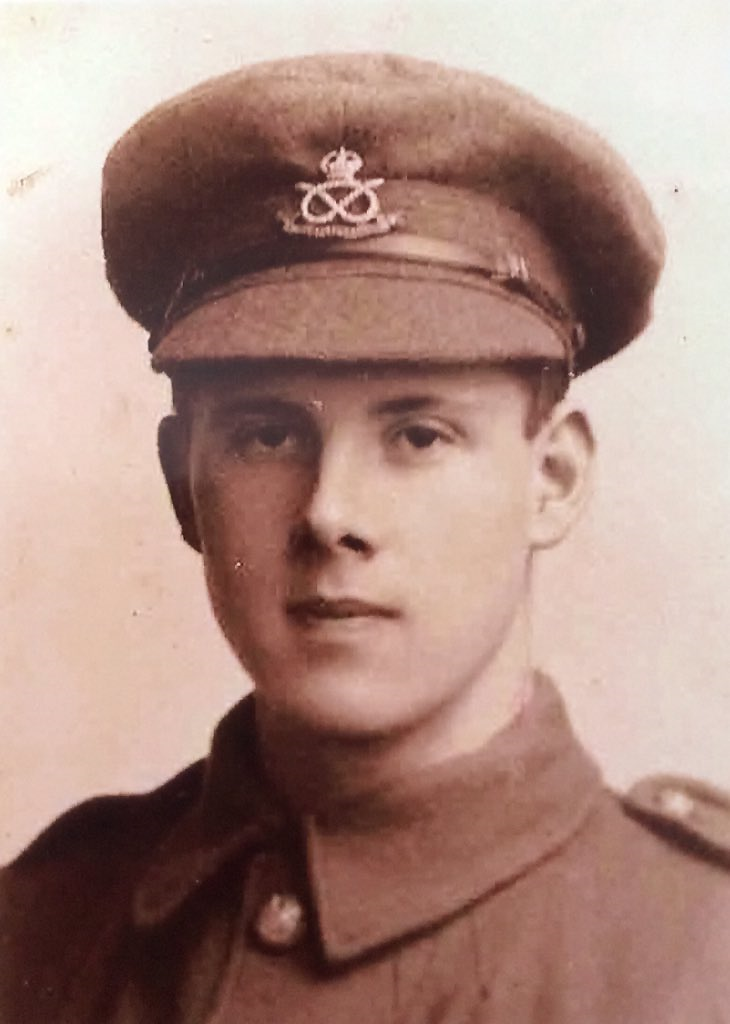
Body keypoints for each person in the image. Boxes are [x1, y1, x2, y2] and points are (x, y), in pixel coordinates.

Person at [1, 52, 729, 1024]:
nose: (329, 512)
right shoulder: (40, 927)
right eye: (268, 434)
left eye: (418, 435)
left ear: (552, 480)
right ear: (183, 483)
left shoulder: (700, 957)